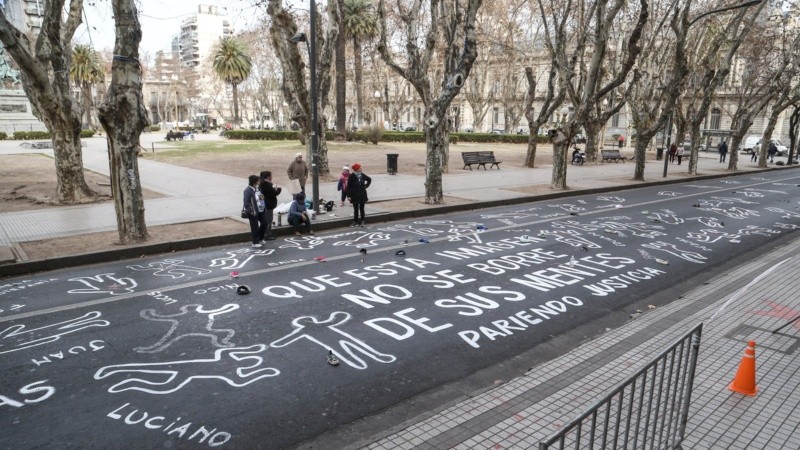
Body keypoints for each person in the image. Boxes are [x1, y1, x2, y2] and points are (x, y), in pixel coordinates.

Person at [243, 175, 266, 248]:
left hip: (261, 209)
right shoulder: (248, 191)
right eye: (258, 181)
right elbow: (246, 202)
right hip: (253, 211)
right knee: (254, 227)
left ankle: (260, 238)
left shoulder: (257, 189)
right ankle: (255, 242)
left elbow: (261, 197)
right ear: (255, 182)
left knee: (264, 223)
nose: (259, 182)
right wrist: (250, 211)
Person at [347, 163, 372, 227]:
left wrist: (366, 186)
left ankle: (363, 221)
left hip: (362, 194)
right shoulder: (351, 176)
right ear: (357, 169)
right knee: (355, 209)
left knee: (362, 208)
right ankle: (355, 221)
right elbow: (348, 187)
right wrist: (348, 196)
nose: (361, 169)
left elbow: (369, 179)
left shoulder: (362, 175)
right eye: (360, 168)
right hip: (354, 195)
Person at [259, 171, 282, 241]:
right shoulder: (266, 185)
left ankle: (266, 234)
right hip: (268, 205)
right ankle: (267, 235)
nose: (272, 177)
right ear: (268, 177)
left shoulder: (262, 184)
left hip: (265, 204)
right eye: (271, 176)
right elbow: (273, 193)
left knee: (267, 220)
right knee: (268, 220)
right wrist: (279, 189)